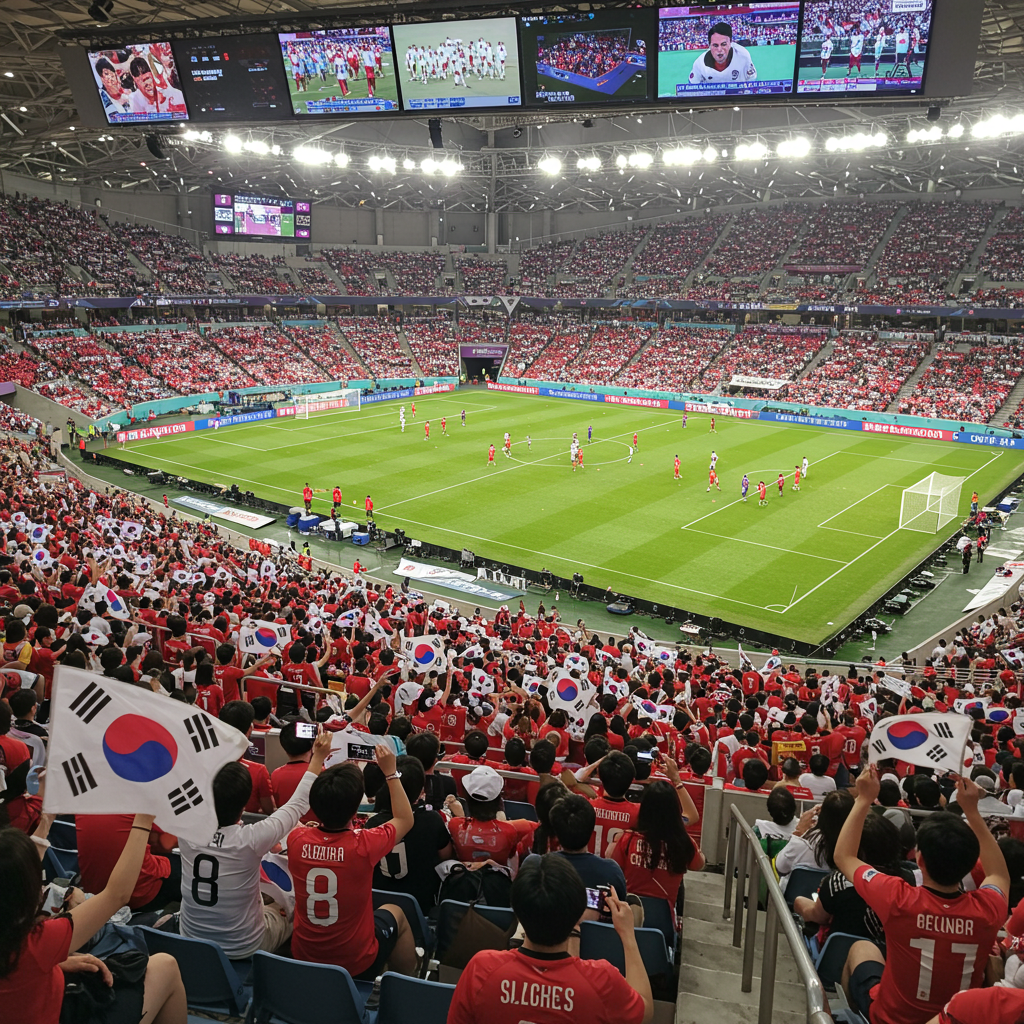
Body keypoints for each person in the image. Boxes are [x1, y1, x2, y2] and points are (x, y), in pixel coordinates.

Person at [836, 768, 1009, 1024]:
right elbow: (999, 874)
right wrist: (972, 810)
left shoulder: (897, 898)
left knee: (861, 948)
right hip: (955, 1019)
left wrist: (863, 799)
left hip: (891, 1018)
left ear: (920, 859)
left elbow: (844, 856)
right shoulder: (988, 910)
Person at [0, 813, 186, 1024]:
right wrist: (143, 821)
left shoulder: (25, 946)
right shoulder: (38, 943)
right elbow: (117, 895)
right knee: (165, 966)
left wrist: (56, 965)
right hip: (61, 1012)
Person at [446, 854, 653, 1024]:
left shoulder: (481, 969)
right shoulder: (603, 980)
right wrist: (628, 936)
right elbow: (645, 1011)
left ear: (517, 910)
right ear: (577, 912)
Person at [178, 732, 332, 958]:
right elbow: (298, 802)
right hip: (244, 946)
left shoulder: (183, 828)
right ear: (242, 807)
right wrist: (317, 757)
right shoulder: (250, 839)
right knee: (291, 907)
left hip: (190, 935)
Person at [288, 742, 418, 978]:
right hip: (356, 962)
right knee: (396, 912)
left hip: (304, 955)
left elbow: (293, 807)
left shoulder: (296, 839)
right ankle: (406, 984)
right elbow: (405, 819)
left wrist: (316, 759)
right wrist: (391, 772)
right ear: (356, 807)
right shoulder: (364, 845)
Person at [609, 767, 704, 921]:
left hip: (628, 921)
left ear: (644, 807)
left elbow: (614, 870)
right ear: (675, 811)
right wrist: (677, 781)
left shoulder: (627, 840)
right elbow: (699, 864)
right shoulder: (684, 844)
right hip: (664, 925)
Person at [368, 755, 453, 913]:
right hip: (422, 908)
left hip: (378, 908)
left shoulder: (373, 824)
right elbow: (446, 855)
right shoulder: (433, 821)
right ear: (422, 790)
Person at [689, 20, 757, 87]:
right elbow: (692, 88)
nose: (719, 49)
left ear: (730, 43)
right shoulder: (700, 64)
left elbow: (752, 80)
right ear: (709, 46)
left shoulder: (743, 56)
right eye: (715, 45)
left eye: (723, 44)